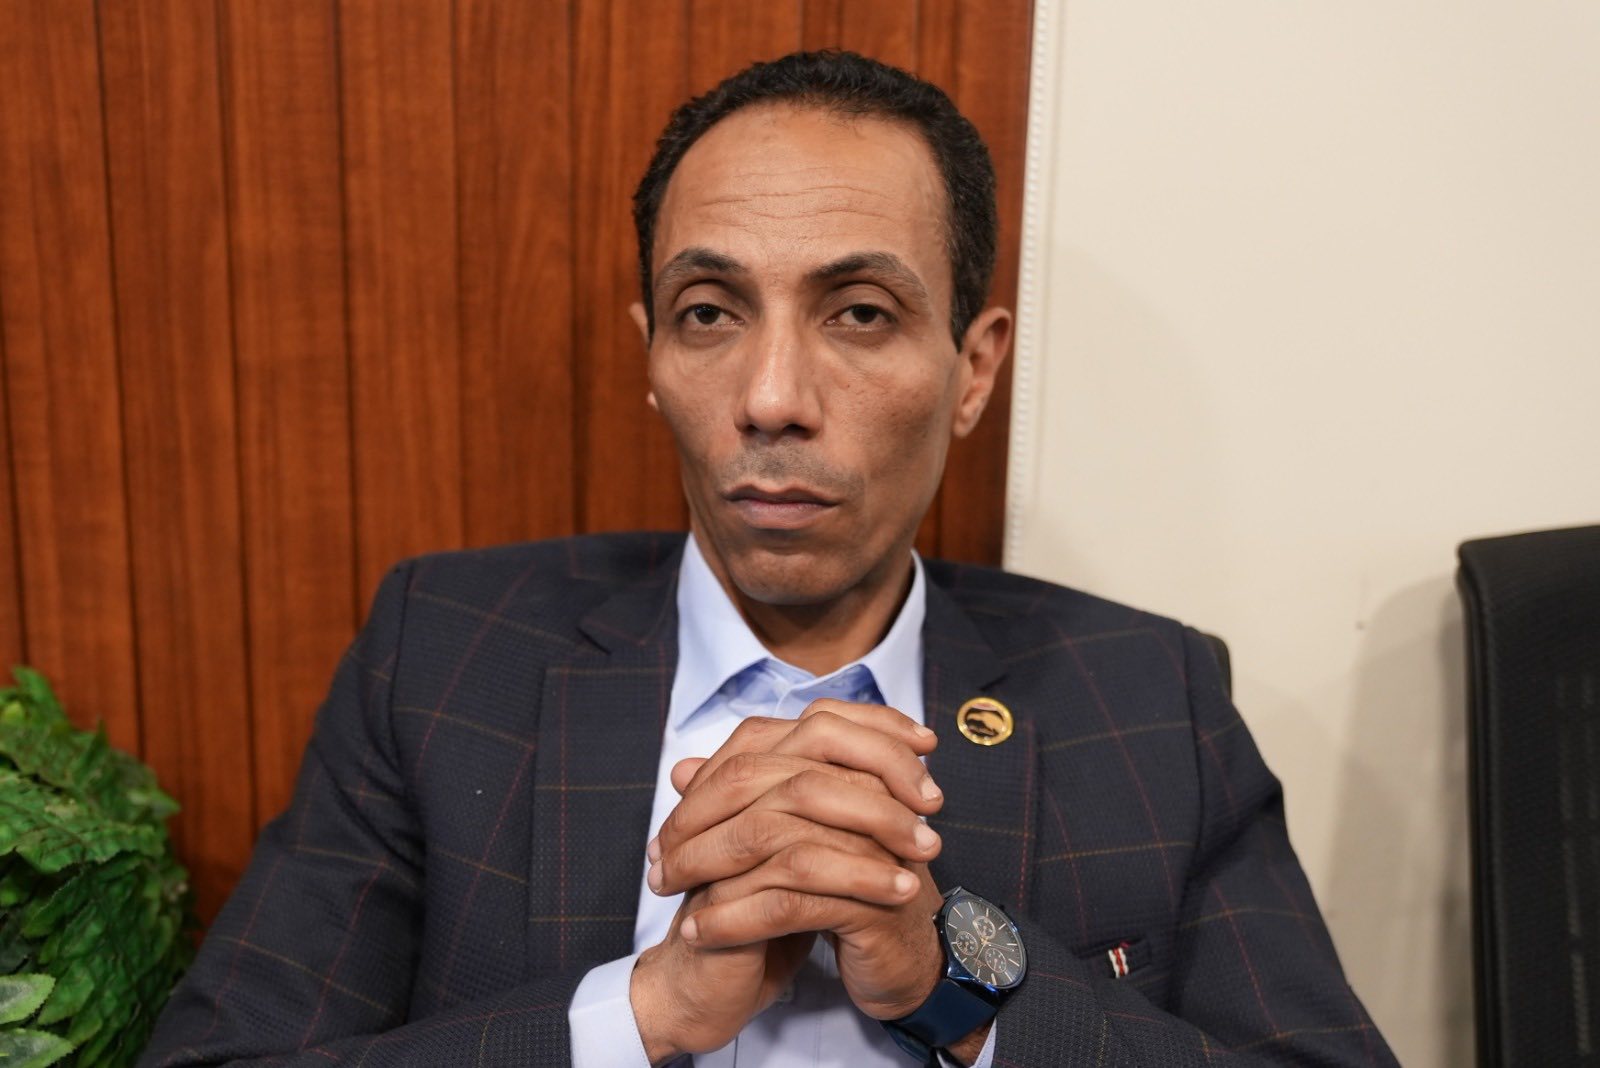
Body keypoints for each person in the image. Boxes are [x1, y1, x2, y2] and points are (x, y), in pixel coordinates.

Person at [139, 51, 1397, 1067]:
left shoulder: (1147, 695)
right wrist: (644, 1011)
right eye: (709, 314)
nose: (773, 397)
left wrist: (957, 988)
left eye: (860, 313)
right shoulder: (445, 653)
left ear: (972, 370)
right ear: (651, 354)